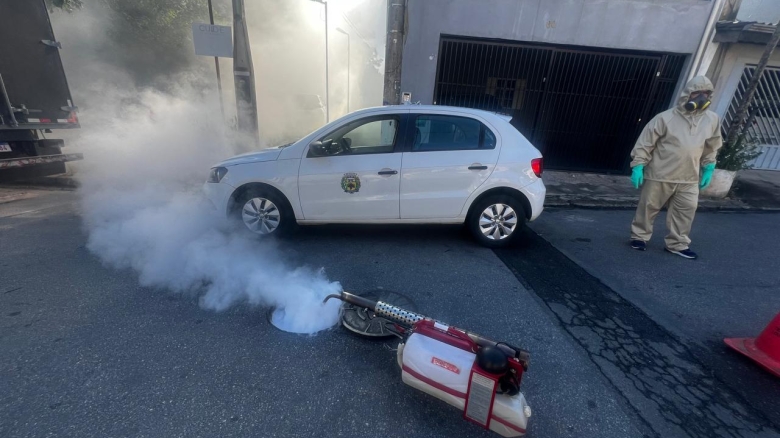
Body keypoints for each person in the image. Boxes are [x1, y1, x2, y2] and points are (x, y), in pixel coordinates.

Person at [628, 76, 723, 260]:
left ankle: (677, 244)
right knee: (648, 207)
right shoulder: (665, 118)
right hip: (660, 174)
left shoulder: (712, 119)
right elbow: (645, 143)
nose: (701, 97)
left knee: (686, 211)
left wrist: (709, 166)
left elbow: (712, 145)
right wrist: (638, 165)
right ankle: (639, 237)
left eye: (706, 93)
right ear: (688, 94)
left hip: (689, 177)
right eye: (697, 92)